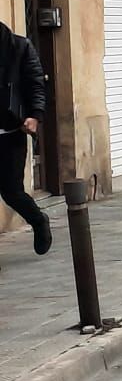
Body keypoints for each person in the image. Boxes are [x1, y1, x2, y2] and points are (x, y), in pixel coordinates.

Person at [0, 19, 53, 254]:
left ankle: (38, 220)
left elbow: (35, 85)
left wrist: (35, 115)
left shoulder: (19, 47)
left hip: (10, 132)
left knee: (11, 192)